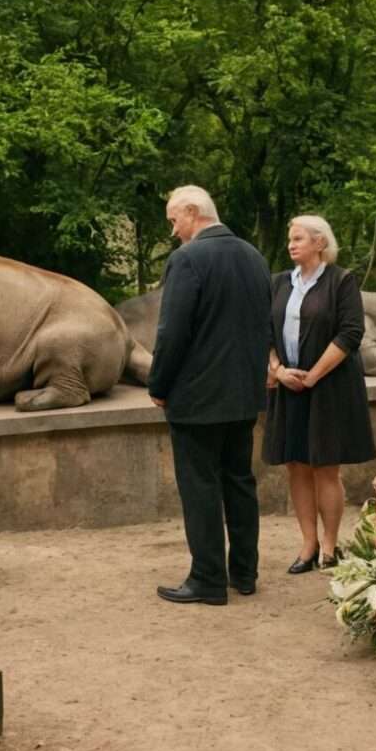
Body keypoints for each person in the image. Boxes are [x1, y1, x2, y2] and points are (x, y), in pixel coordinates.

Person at [149, 185, 271, 605]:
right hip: (243, 396)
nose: (173, 230)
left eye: (173, 220)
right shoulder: (254, 257)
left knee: (200, 487)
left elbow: (172, 332)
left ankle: (207, 579)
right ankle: (245, 573)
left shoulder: (187, 259)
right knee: (239, 482)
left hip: (197, 399)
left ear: (193, 211)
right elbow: (263, 326)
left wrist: (159, 385)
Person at [263, 215, 376, 572]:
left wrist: (312, 376)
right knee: (296, 466)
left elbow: (350, 333)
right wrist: (279, 371)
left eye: (298, 238)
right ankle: (308, 545)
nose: (291, 244)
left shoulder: (341, 281)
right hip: (288, 387)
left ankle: (330, 544)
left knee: (325, 468)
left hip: (329, 388)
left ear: (320, 243)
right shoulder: (279, 282)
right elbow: (265, 332)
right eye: (289, 239)